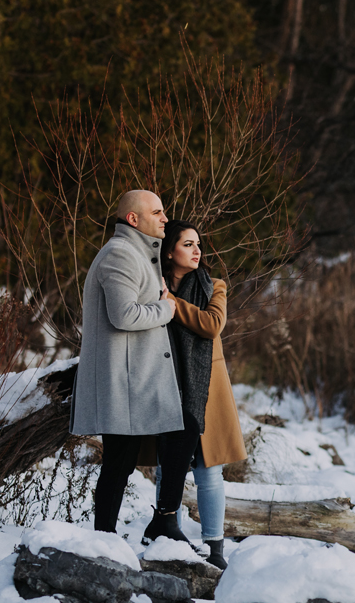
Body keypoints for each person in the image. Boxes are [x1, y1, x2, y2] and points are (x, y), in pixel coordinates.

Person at [70, 190, 191, 542]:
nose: (165, 219)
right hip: (122, 382)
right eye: (157, 213)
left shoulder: (138, 254)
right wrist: (167, 309)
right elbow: (123, 316)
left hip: (134, 380)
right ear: (133, 219)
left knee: (124, 463)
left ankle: (140, 530)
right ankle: (104, 539)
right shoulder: (121, 255)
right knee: (118, 465)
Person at [146, 220, 248, 569]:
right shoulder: (151, 284)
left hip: (206, 387)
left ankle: (215, 548)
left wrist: (171, 303)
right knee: (165, 466)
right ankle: (163, 529)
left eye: (198, 244)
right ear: (169, 250)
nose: (197, 250)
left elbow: (211, 324)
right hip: (164, 382)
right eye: (188, 244)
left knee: (209, 472)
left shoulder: (213, 285)